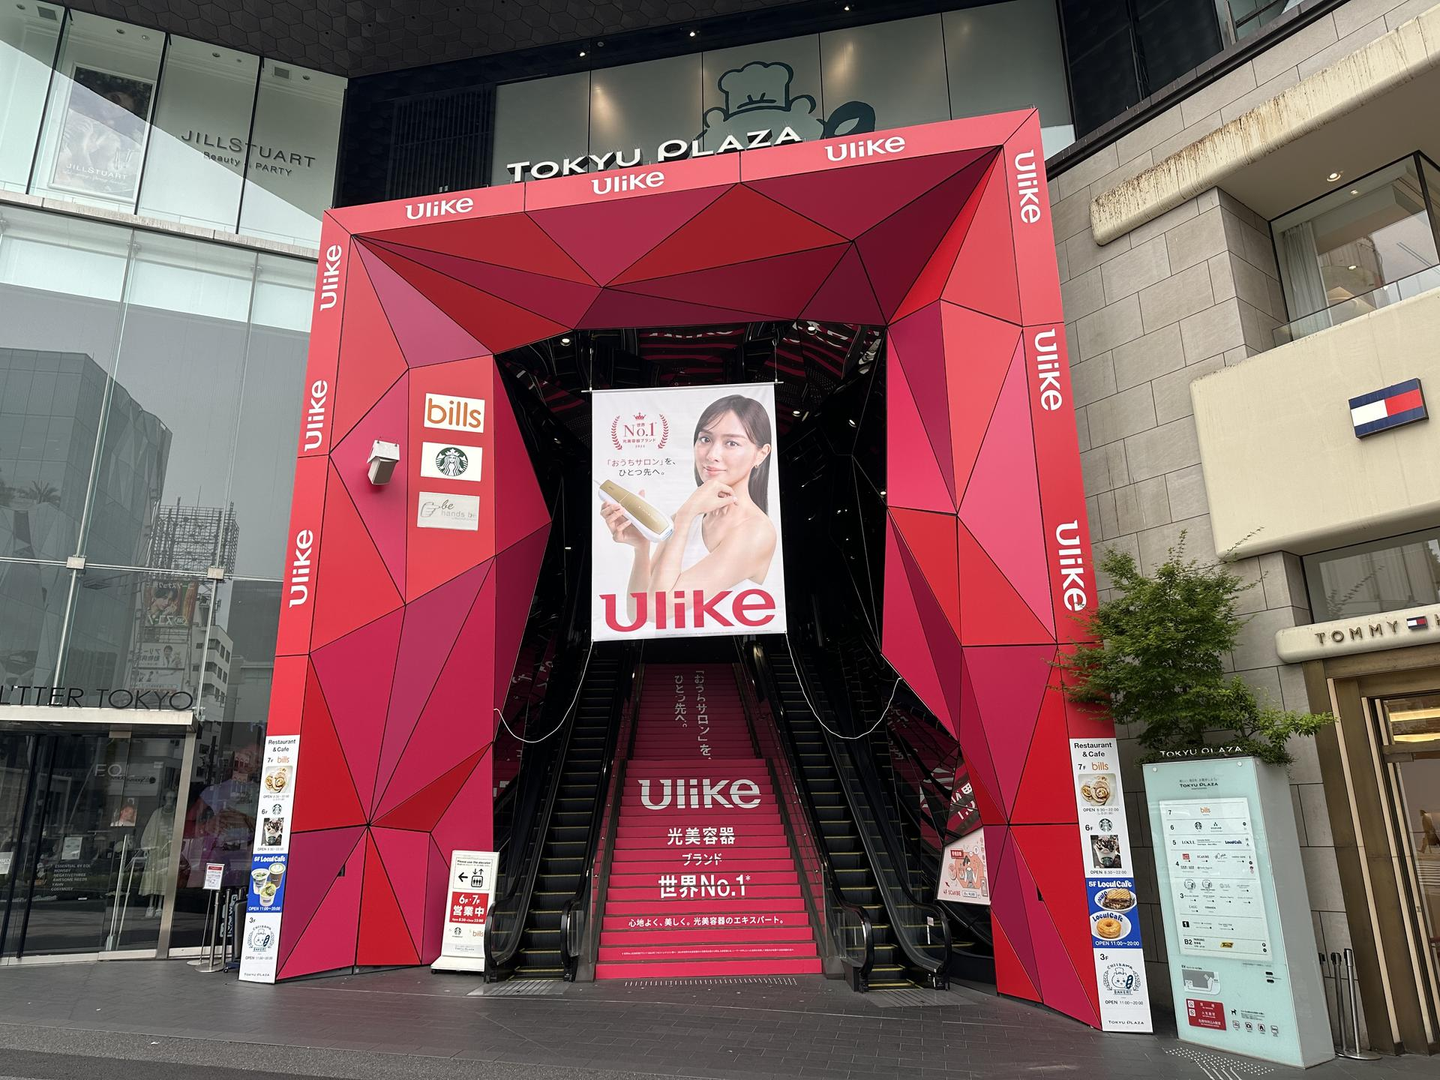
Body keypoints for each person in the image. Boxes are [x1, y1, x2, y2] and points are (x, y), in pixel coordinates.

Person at [600, 394, 776, 626]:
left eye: (731, 443)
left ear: (761, 453)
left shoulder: (756, 532)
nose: (712, 455)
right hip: (663, 648)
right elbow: (638, 614)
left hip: (721, 648)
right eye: (705, 439)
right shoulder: (686, 518)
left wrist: (685, 515)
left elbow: (658, 610)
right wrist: (641, 547)